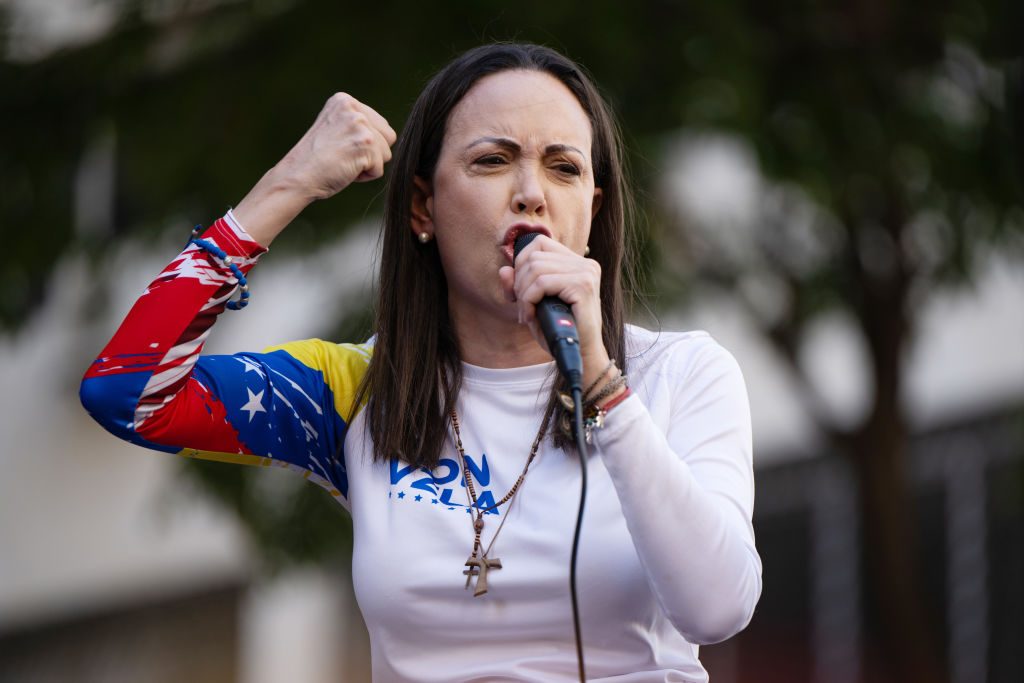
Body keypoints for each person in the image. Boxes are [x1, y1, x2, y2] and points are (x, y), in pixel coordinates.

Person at [81, 43, 761, 682]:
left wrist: (604, 385)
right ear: (422, 206)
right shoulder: (361, 388)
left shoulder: (680, 373)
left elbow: (718, 608)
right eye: (492, 161)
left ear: (593, 207)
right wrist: (287, 185)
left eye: (564, 167)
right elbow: (127, 389)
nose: (531, 193)